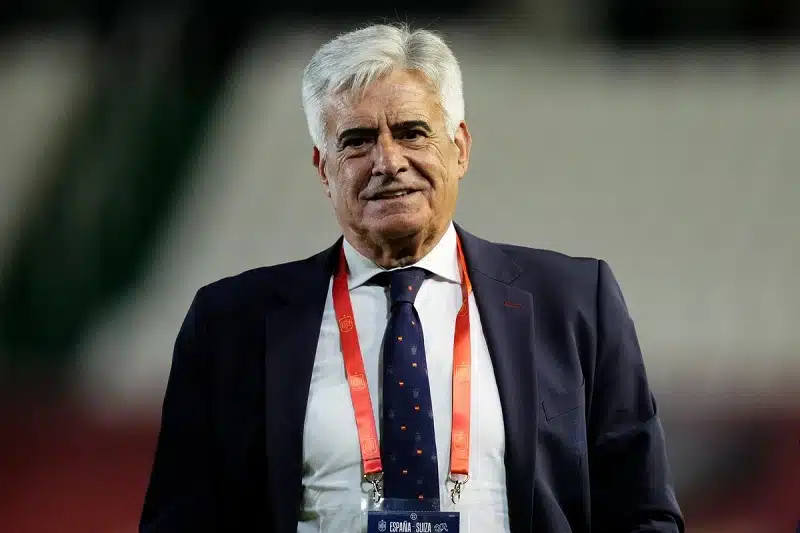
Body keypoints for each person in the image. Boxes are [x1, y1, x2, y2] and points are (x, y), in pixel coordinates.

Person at [139, 23, 684, 533]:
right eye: (356, 140)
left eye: (411, 133)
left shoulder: (574, 302)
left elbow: (642, 513)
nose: (388, 161)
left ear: (460, 148)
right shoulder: (230, 324)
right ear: (323, 168)